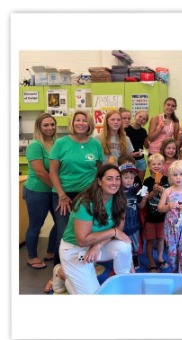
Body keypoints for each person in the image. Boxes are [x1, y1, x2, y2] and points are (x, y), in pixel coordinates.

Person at [53, 164, 133, 294]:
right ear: (99, 181)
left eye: (117, 178)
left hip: (96, 246)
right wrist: (113, 232)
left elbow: (119, 230)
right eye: (109, 179)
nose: (114, 182)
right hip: (74, 250)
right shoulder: (85, 202)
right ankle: (61, 273)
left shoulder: (119, 200)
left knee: (124, 246)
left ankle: (122, 281)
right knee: (94, 296)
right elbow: (82, 241)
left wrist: (98, 245)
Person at [49, 110, 103, 281]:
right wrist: (62, 194)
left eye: (84, 120)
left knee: (87, 232)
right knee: (64, 232)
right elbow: (52, 172)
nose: (81, 123)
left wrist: (95, 194)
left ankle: (84, 266)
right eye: (77, 120)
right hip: (64, 194)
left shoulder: (95, 144)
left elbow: (98, 171)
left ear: (89, 124)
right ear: (72, 123)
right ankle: (58, 273)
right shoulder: (60, 143)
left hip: (87, 196)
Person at [23, 113, 57, 270]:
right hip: (37, 191)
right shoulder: (35, 145)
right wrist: (57, 187)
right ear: (38, 127)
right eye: (46, 125)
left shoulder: (56, 143)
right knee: (36, 225)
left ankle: (50, 252)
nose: (50, 128)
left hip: (52, 190)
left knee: (60, 222)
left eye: (52, 124)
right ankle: (32, 257)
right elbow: (40, 172)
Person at [142, 153, 170, 273]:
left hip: (163, 217)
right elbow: (143, 199)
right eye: (154, 164)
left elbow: (171, 196)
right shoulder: (146, 181)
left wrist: (163, 190)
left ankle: (159, 257)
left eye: (159, 164)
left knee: (160, 238)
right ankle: (151, 262)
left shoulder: (167, 180)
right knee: (150, 240)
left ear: (163, 165)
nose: (156, 166)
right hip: (150, 216)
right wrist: (152, 192)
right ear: (149, 166)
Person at [119, 163, 148, 270]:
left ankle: (134, 256)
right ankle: (127, 259)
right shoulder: (117, 192)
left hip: (134, 224)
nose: (129, 180)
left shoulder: (136, 191)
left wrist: (144, 198)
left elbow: (141, 206)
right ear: (119, 177)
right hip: (122, 226)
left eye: (131, 178)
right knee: (124, 246)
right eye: (126, 177)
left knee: (135, 246)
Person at [124, 110, 149, 182]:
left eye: (144, 119)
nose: (141, 119)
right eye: (140, 116)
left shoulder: (143, 131)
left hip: (140, 160)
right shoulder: (126, 129)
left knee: (139, 182)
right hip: (128, 159)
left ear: (145, 122)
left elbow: (146, 146)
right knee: (128, 181)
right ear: (135, 116)